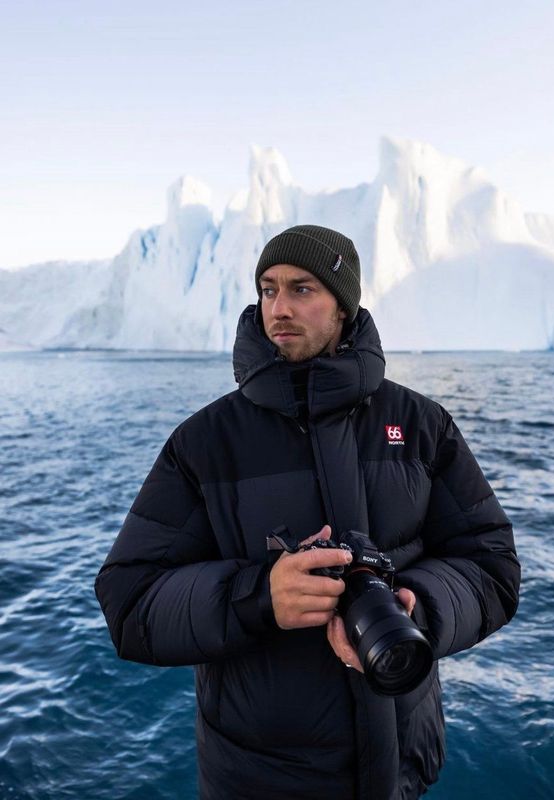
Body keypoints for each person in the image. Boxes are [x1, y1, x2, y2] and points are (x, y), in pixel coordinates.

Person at [95, 224, 520, 800]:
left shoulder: (422, 425)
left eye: (302, 289)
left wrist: (414, 609)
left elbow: (492, 566)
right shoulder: (205, 442)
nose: (279, 308)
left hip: (400, 765)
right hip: (259, 778)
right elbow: (129, 601)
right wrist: (257, 596)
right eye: (268, 289)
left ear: (343, 305)